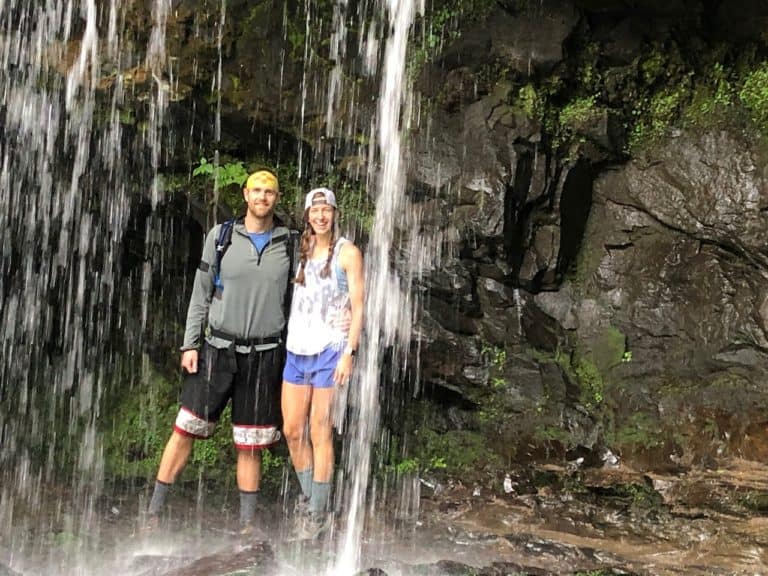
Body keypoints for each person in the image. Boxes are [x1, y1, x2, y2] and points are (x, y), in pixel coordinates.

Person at [145, 169, 295, 536]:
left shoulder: (291, 242)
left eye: (269, 192)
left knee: (251, 441)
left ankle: (246, 526)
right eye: (256, 190)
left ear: (277, 198)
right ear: (245, 195)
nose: (262, 197)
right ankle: (153, 514)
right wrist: (189, 344)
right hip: (216, 349)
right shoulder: (222, 236)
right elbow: (201, 292)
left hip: (265, 355)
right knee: (185, 428)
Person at [281, 187, 364, 539]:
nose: (321, 216)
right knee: (292, 430)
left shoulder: (348, 253)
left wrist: (350, 352)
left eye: (326, 210)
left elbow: (359, 305)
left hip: (330, 350)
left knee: (320, 430)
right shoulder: (299, 248)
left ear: (334, 213)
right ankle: (312, 498)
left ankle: (317, 513)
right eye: (315, 211)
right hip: (296, 350)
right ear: (306, 215)